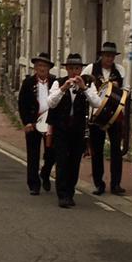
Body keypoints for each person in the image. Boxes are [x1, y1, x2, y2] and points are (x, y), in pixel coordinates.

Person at [83, 41, 128, 196]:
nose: (109, 59)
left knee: (116, 149)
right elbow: (84, 87)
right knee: (97, 149)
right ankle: (98, 183)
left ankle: (116, 184)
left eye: (111, 56)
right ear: (101, 56)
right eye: (106, 56)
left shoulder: (120, 70)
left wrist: (116, 86)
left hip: (115, 114)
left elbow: (126, 90)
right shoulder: (90, 69)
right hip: (97, 113)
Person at [47, 53, 90, 209]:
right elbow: (51, 103)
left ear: (81, 70)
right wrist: (63, 89)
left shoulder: (86, 85)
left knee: (74, 163)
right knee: (62, 162)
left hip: (77, 130)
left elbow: (96, 102)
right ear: (66, 69)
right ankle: (62, 195)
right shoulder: (57, 84)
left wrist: (85, 88)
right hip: (61, 129)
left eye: (77, 68)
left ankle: (70, 192)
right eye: (71, 68)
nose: (74, 72)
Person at [17, 53, 56, 196]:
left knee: (52, 153)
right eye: (39, 65)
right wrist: (26, 122)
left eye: (45, 66)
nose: (42, 68)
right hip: (33, 122)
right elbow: (22, 104)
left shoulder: (55, 82)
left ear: (49, 68)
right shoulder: (28, 83)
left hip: (50, 123)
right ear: (35, 67)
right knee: (33, 154)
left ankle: (45, 174)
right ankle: (34, 184)